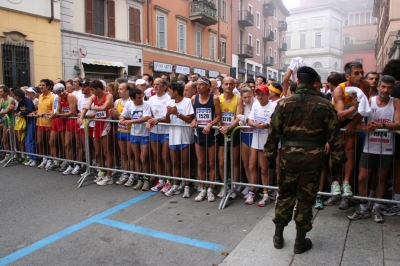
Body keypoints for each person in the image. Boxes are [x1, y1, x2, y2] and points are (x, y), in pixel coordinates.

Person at [264, 66, 346, 253]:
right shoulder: (325, 105)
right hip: (313, 158)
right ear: (315, 82)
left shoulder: (284, 104)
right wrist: (338, 164)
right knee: (306, 198)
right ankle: (300, 242)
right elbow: (335, 138)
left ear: (298, 81)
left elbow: (273, 133)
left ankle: (278, 236)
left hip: (289, 158)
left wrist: (270, 156)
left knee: (285, 195)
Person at [349, 75, 400, 223]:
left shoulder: (396, 102)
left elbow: (398, 124)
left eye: (389, 87)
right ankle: (363, 208)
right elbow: (355, 124)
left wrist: (380, 126)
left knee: (382, 177)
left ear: (392, 89)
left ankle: (376, 208)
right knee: (362, 178)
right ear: (378, 87)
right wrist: (365, 128)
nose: (386, 90)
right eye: (383, 87)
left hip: (386, 148)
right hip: (369, 146)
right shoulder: (370, 101)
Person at [333, 61, 370, 210]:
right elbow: (341, 115)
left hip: (353, 120)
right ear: (347, 76)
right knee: (335, 153)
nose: (361, 76)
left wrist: (354, 123)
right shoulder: (339, 90)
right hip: (337, 121)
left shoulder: (365, 86)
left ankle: (346, 183)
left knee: (350, 149)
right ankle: (335, 182)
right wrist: (354, 107)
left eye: (362, 72)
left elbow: (365, 109)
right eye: (356, 73)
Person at [191, 77, 221, 202]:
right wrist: (193, 120)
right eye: (197, 85)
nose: (198, 87)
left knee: (211, 163)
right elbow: (192, 115)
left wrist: (211, 123)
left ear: (208, 86)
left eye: (201, 85)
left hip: (212, 134)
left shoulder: (214, 98)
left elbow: (219, 116)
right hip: (199, 134)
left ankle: (210, 189)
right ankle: (203, 188)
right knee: (201, 163)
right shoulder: (194, 98)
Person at [246, 84, 276, 206]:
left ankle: (265, 193)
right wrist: (253, 124)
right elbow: (249, 120)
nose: (260, 97)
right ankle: (252, 191)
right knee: (251, 166)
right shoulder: (255, 104)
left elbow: (275, 123)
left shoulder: (273, 106)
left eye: (262, 94)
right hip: (255, 139)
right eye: (258, 94)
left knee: (264, 169)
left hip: (267, 141)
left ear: (268, 95)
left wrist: (266, 125)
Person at [164, 81, 195, 197]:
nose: (169, 93)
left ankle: (187, 186)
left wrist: (177, 114)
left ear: (176, 91)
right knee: (175, 163)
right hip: (173, 137)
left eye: (170, 91)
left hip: (185, 138)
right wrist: (168, 114)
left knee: (185, 163)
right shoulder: (170, 102)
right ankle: (175, 185)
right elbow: (167, 121)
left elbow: (190, 119)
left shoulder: (187, 102)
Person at [119, 88, 152, 189]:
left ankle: (147, 180)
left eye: (142, 96)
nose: (141, 99)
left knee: (144, 158)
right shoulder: (129, 104)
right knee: (137, 157)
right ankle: (140, 179)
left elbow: (146, 117)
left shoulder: (146, 104)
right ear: (132, 98)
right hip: (134, 134)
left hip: (144, 134)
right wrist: (121, 119)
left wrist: (131, 121)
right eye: (138, 97)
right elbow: (122, 115)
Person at [217, 77, 243, 199]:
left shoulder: (238, 99)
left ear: (234, 86)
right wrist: (221, 127)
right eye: (226, 84)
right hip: (221, 133)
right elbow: (216, 115)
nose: (228, 86)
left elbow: (239, 117)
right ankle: (225, 185)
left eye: (231, 84)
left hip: (234, 132)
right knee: (221, 162)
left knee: (234, 161)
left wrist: (229, 128)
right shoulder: (218, 98)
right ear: (222, 85)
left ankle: (234, 186)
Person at [146, 78, 172, 192]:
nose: (155, 86)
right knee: (156, 156)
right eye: (154, 84)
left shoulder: (169, 98)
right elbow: (148, 114)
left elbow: (169, 117)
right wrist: (148, 121)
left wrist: (158, 119)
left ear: (164, 87)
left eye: (158, 84)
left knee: (165, 157)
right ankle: (160, 180)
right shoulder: (151, 99)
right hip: (154, 131)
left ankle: (169, 181)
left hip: (166, 131)